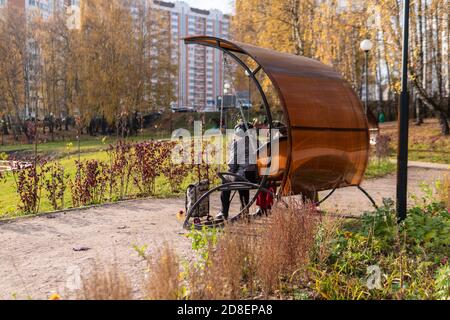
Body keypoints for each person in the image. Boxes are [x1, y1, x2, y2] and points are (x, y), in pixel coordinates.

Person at [216, 122, 257, 220]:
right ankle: (244, 211)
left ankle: (223, 212)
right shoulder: (258, 142)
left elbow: (232, 164)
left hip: (243, 176)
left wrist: (231, 172)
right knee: (243, 181)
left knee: (226, 179)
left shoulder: (237, 143)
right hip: (254, 177)